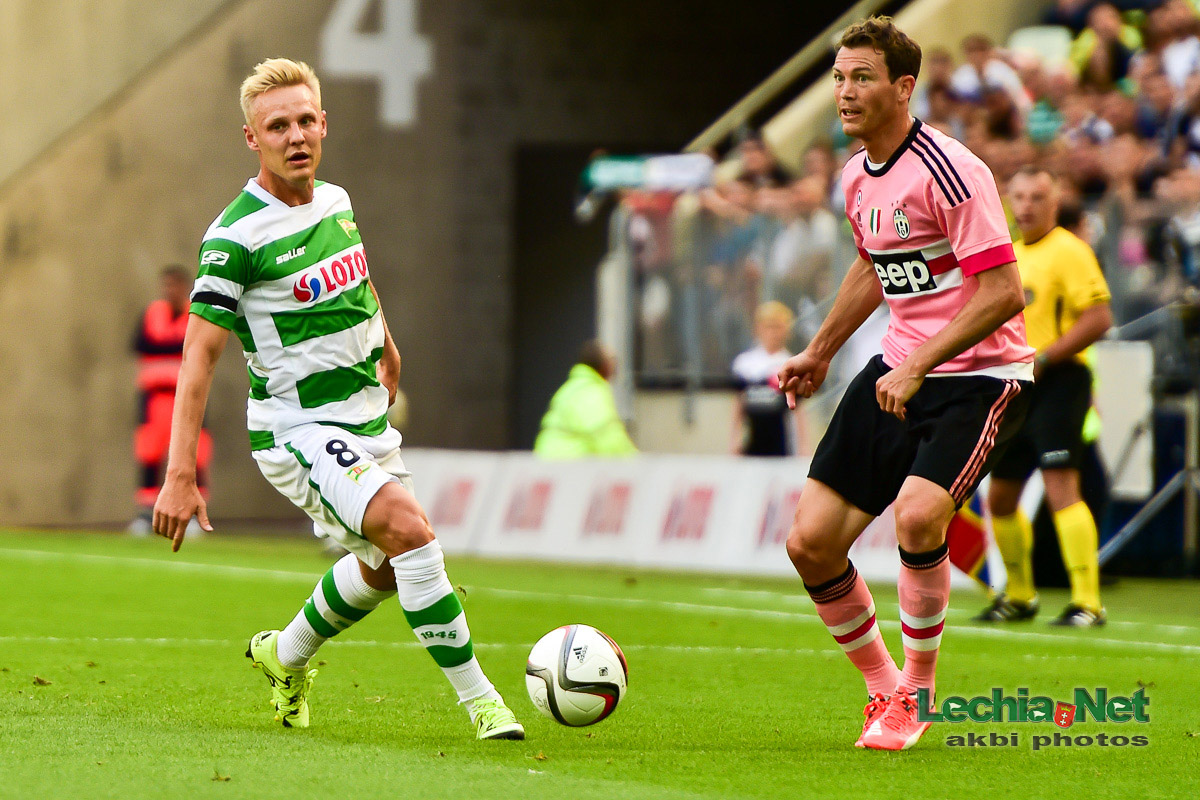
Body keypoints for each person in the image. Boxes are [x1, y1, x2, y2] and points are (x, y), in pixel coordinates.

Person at [152, 58, 524, 740]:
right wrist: (181, 473)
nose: (295, 136)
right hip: (296, 431)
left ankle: (282, 654)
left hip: (365, 421)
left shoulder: (338, 200)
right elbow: (199, 353)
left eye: (304, 121)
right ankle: (483, 703)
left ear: (323, 124)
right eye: (277, 126)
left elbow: (358, 279)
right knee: (410, 533)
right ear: (251, 139)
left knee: (384, 571)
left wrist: (387, 338)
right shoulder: (235, 237)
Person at [778, 17, 1033, 751]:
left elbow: (1003, 292)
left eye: (861, 78)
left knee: (921, 519)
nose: (845, 92)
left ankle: (916, 696)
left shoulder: (953, 169)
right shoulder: (856, 174)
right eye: (838, 77)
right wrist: (821, 350)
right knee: (810, 545)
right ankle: (882, 686)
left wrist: (922, 363)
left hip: (979, 376)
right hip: (898, 369)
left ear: (903, 87)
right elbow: (873, 266)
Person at [975, 166, 1113, 627]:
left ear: (1054, 202)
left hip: (1059, 381)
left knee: (1061, 487)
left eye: (1038, 196)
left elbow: (1098, 317)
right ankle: (1018, 595)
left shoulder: (1070, 252)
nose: (1027, 205)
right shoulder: (1008, 255)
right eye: (1020, 196)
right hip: (1013, 384)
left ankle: (1087, 602)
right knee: (1000, 497)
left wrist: (1047, 358)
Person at [131, 265, 212, 534]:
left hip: (187, 398)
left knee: (196, 453)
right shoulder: (152, 314)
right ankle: (146, 514)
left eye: (175, 285)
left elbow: (201, 350)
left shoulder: (195, 313)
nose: (169, 291)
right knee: (149, 454)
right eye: (166, 285)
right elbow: (140, 346)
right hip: (155, 399)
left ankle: (192, 516)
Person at [533, 340, 637, 458]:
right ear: (603, 365)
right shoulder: (591, 391)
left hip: (548, 462)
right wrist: (635, 464)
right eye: (612, 360)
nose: (615, 366)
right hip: (566, 465)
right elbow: (606, 435)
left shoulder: (571, 387)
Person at [730, 302, 809, 457]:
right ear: (758, 329)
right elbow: (738, 404)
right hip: (752, 443)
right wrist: (734, 439)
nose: (773, 333)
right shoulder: (745, 363)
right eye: (769, 327)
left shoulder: (792, 363)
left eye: (778, 327)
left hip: (782, 445)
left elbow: (798, 409)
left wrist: (804, 446)